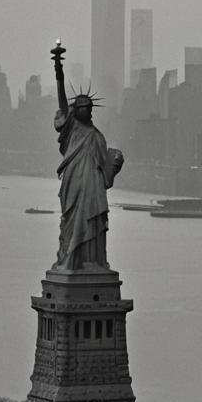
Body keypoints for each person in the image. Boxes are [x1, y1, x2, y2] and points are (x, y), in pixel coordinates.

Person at [50, 43, 123, 270]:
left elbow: (106, 168)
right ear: (76, 110)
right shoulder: (72, 125)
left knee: (91, 214)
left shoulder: (96, 135)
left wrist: (115, 162)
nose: (86, 109)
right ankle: (71, 257)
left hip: (91, 182)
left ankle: (92, 260)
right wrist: (59, 73)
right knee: (73, 215)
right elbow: (62, 102)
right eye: (81, 106)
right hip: (74, 177)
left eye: (88, 106)